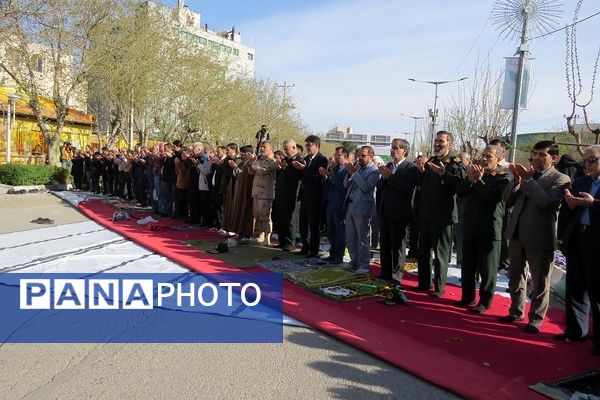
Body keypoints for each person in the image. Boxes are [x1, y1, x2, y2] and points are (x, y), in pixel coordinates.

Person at [499, 140, 570, 333]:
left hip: (540, 236)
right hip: (516, 233)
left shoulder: (561, 179)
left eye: (542, 155)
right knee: (515, 275)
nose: (537, 158)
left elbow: (545, 202)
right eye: (535, 153)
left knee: (539, 280)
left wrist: (528, 181)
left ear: (553, 158)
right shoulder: (526, 174)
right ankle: (516, 310)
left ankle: (536, 319)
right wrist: (516, 180)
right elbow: (507, 199)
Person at [556, 145, 600, 355]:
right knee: (575, 288)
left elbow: (593, 205)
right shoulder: (581, 182)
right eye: (585, 161)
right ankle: (575, 331)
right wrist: (571, 205)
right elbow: (568, 209)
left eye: (592, 160)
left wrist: (593, 204)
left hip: (597, 243)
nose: (587, 165)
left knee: (596, 294)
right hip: (578, 239)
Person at [455, 145, 510, 312]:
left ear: (498, 159)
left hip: (489, 230)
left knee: (488, 269)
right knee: (468, 265)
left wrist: (478, 180)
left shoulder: (503, 178)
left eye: (489, 157)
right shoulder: (475, 175)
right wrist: (470, 179)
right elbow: (460, 192)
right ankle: (467, 297)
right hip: (471, 227)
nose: (485, 159)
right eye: (483, 156)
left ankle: (485, 302)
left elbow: (493, 198)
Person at [416, 131, 466, 297]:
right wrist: (422, 172)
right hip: (427, 214)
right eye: (436, 141)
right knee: (423, 251)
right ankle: (424, 283)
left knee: (441, 254)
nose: (438, 144)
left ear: (449, 144)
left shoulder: (455, 164)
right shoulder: (431, 161)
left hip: (443, 216)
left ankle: (439, 287)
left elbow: (460, 186)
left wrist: (443, 173)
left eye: (441, 141)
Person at [377, 138, 419, 283]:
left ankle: (396, 275)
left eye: (396, 147)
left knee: (398, 247)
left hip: (400, 213)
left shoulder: (410, 168)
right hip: (385, 211)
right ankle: (385, 272)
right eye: (392, 147)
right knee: (385, 244)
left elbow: (407, 188)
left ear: (404, 151)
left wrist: (390, 177)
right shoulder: (389, 165)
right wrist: (383, 178)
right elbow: (381, 186)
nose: (392, 150)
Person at [344, 145, 381, 274]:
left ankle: (364, 264)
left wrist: (354, 173)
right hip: (350, 205)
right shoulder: (358, 167)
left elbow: (366, 187)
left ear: (370, 156)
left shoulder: (374, 171)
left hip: (363, 208)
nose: (359, 158)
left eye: (363, 156)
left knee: (363, 238)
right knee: (350, 236)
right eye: (359, 155)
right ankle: (353, 261)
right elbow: (346, 184)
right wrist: (349, 173)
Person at [293, 135, 328, 257]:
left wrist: (304, 169)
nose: (307, 147)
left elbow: (318, 178)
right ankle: (305, 247)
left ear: (317, 145)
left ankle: (313, 250)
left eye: (310, 145)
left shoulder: (322, 159)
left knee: (313, 225)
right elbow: (302, 176)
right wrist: (298, 169)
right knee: (303, 223)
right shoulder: (306, 158)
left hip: (315, 196)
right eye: (306, 145)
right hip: (304, 195)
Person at [319, 146, 349, 264]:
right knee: (331, 231)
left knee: (339, 231)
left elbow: (343, 186)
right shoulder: (335, 168)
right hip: (330, 202)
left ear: (345, 156)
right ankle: (332, 252)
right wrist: (325, 177)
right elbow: (328, 185)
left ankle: (339, 255)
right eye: (335, 154)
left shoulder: (346, 169)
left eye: (338, 155)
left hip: (340, 203)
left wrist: (330, 176)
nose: (336, 157)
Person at [273, 139, 302, 251]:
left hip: (292, 194)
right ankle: (282, 241)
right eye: (284, 149)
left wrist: (285, 168)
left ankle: (290, 243)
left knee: (290, 219)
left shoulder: (299, 160)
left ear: (293, 148)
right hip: (281, 192)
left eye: (286, 149)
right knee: (280, 218)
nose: (285, 152)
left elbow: (297, 176)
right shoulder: (286, 159)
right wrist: (281, 168)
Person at [248, 142, 277, 245]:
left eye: (264, 147)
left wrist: (254, 163)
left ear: (270, 149)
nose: (262, 149)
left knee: (265, 215)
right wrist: (251, 162)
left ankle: (267, 236)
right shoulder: (260, 160)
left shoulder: (273, 161)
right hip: (256, 191)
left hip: (266, 192)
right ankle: (259, 234)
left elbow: (262, 171)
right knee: (257, 214)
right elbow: (251, 172)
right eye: (261, 147)